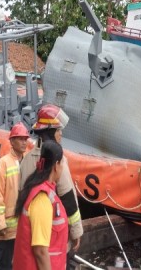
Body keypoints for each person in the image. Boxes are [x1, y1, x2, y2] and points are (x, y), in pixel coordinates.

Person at [19, 104, 83, 253]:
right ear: (50, 132)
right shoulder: (59, 160)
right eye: (58, 130)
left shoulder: (26, 160)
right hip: (54, 233)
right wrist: (76, 232)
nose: (60, 134)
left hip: (30, 231)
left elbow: (21, 195)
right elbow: (67, 196)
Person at [14, 140, 68, 270]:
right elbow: (40, 251)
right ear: (56, 165)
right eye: (62, 164)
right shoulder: (42, 198)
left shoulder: (41, 189)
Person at [0, 122, 30, 270]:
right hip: (8, 230)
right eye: (20, 139)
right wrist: (0, 224)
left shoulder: (28, 161)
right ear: (12, 141)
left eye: (25, 139)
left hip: (25, 226)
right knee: (5, 264)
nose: (24, 142)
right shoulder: (3, 164)